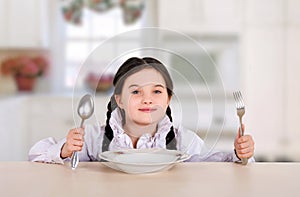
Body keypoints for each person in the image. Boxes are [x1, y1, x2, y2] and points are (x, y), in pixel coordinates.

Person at [28, 57, 255, 164]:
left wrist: (240, 154)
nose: (147, 100)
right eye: (136, 92)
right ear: (120, 100)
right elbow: (36, 155)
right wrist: (66, 150)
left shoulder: (183, 140)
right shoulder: (94, 139)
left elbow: (219, 165)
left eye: (157, 91)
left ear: (168, 100)